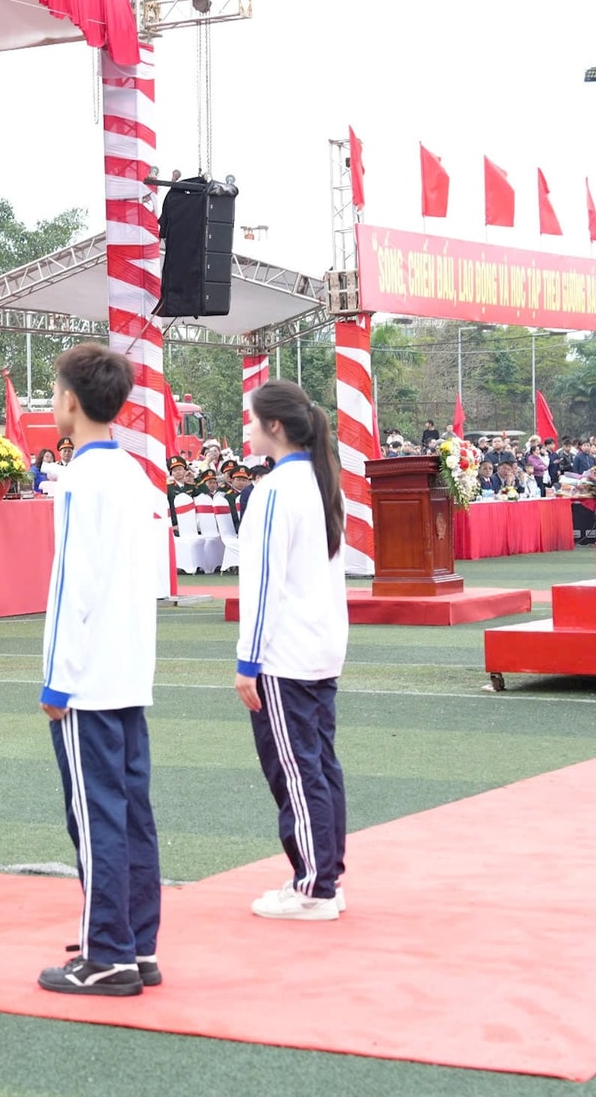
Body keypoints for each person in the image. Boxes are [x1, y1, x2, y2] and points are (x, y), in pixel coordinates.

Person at [34, 342, 163, 997]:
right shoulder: (136, 477)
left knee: (96, 818)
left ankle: (107, 950)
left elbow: (70, 589)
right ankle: (136, 943)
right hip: (129, 669)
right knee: (130, 813)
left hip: (89, 679)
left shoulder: (80, 480)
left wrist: (57, 680)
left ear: (71, 402)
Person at [234, 379, 350, 922]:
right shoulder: (319, 482)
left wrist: (247, 661)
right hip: (319, 646)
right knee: (318, 765)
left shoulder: (275, 490)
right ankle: (323, 872)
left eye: (252, 419)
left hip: (286, 653)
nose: (247, 428)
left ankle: (313, 885)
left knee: (296, 770)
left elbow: (262, 585)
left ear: (274, 426)